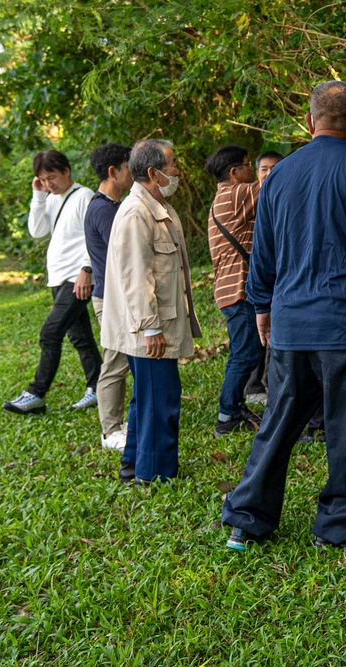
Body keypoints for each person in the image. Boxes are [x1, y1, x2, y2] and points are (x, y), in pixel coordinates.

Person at [222, 80, 346, 551]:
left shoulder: (279, 177)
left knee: (278, 421)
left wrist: (261, 307)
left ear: (310, 122)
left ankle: (247, 519)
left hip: (291, 324)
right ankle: (342, 525)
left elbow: (263, 255)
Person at [101, 139, 202, 484]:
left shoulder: (158, 207)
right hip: (150, 328)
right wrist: (150, 328)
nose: (176, 171)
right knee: (161, 400)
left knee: (146, 398)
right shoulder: (135, 213)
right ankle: (155, 474)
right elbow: (134, 276)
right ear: (152, 172)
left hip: (159, 322)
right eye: (171, 165)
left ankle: (133, 465)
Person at [3, 150, 101, 415]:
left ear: (66, 171)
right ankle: (98, 388)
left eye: (51, 177)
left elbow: (93, 236)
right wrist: (38, 195)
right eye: (42, 179)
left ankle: (36, 393)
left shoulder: (84, 196)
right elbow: (37, 231)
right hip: (57, 278)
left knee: (50, 333)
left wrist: (86, 270)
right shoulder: (50, 198)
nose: (48, 184)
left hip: (76, 277)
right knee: (81, 338)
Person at [204, 145, 264, 438]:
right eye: (248, 165)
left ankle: (236, 406)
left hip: (232, 289)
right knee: (244, 353)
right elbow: (272, 182)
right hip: (237, 290)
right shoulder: (235, 194)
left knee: (248, 351)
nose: (252, 170)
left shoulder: (221, 199)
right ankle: (226, 414)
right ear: (234, 172)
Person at [83, 142, 134, 451]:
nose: (133, 173)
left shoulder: (112, 206)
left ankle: (116, 421)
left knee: (122, 360)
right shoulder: (103, 209)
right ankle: (110, 430)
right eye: (129, 167)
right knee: (114, 362)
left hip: (117, 296)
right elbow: (125, 253)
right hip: (110, 298)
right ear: (114, 172)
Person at [244, 149, 285, 405]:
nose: (269, 173)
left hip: (280, 280)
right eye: (264, 169)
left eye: (275, 168)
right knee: (257, 337)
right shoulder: (248, 199)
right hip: (254, 279)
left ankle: (269, 389)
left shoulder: (289, 198)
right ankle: (255, 387)